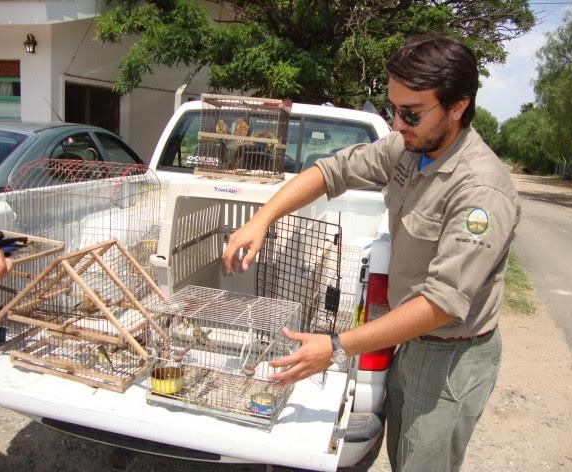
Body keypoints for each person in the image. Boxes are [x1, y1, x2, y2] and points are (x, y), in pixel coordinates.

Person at [223, 32, 520, 471]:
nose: (397, 124)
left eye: (411, 113)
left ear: (458, 107)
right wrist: (262, 218)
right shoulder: (408, 150)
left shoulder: (480, 190)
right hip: (411, 346)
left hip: (451, 359)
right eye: (393, 109)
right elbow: (332, 171)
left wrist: (337, 345)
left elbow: (441, 303)